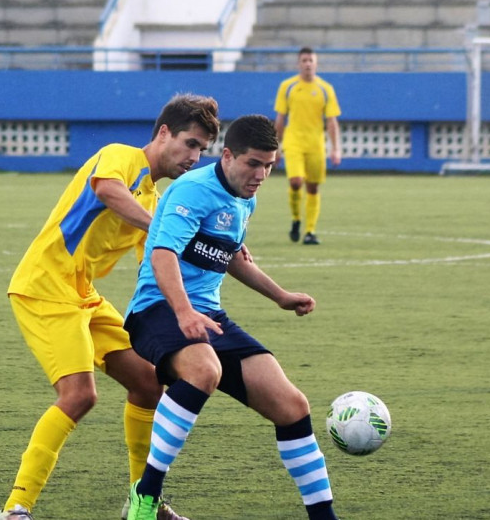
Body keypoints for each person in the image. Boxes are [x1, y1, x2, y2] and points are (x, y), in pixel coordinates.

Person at [0, 93, 221, 520]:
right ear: (164, 133)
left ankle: (144, 504)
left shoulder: (153, 197)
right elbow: (108, 191)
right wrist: (160, 227)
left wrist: (190, 302)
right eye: (190, 143)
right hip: (44, 286)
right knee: (79, 395)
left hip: (83, 295)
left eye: (202, 149)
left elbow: (154, 268)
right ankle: (14, 509)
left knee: (150, 384)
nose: (195, 156)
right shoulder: (120, 157)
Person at [123, 114, 339, 520]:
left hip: (208, 315)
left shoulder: (245, 197)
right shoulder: (192, 190)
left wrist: (280, 296)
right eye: (254, 163)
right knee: (204, 370)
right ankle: (145, 496)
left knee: (291, 404)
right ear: (227, 156)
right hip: (157, 308)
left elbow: (230, 257)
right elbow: (162, 253)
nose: (261, 174)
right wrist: (184, 311)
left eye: (270, 165)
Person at [274, 46, 342, 245]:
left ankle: (310, 231)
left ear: (316, 63)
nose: (308, 64)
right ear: (298, 64)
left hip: (315, 144)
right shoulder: (287, 87)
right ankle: (296, 219)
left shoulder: (325, 89)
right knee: (295, 182)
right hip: (294, 142)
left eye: (311, 60)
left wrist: (336, 148)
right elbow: (280, 119)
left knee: (312, 187)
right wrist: (276, 147)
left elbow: (331, 121)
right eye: (304, 60)